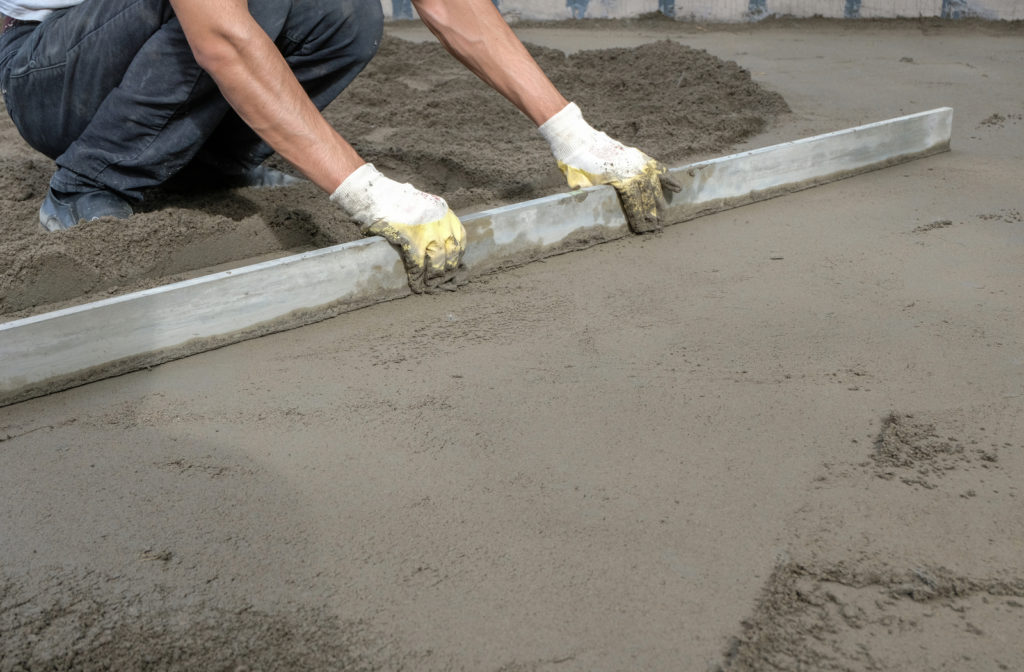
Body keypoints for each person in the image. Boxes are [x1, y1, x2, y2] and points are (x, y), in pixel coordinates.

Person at [0, 0, 678, 292]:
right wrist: (364, 190)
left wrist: (571, 132)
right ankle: (89, 185)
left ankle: (210, 164)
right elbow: (222, 37)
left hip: (139, 42)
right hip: (50, 68)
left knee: (344, 11)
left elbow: (449, 5)